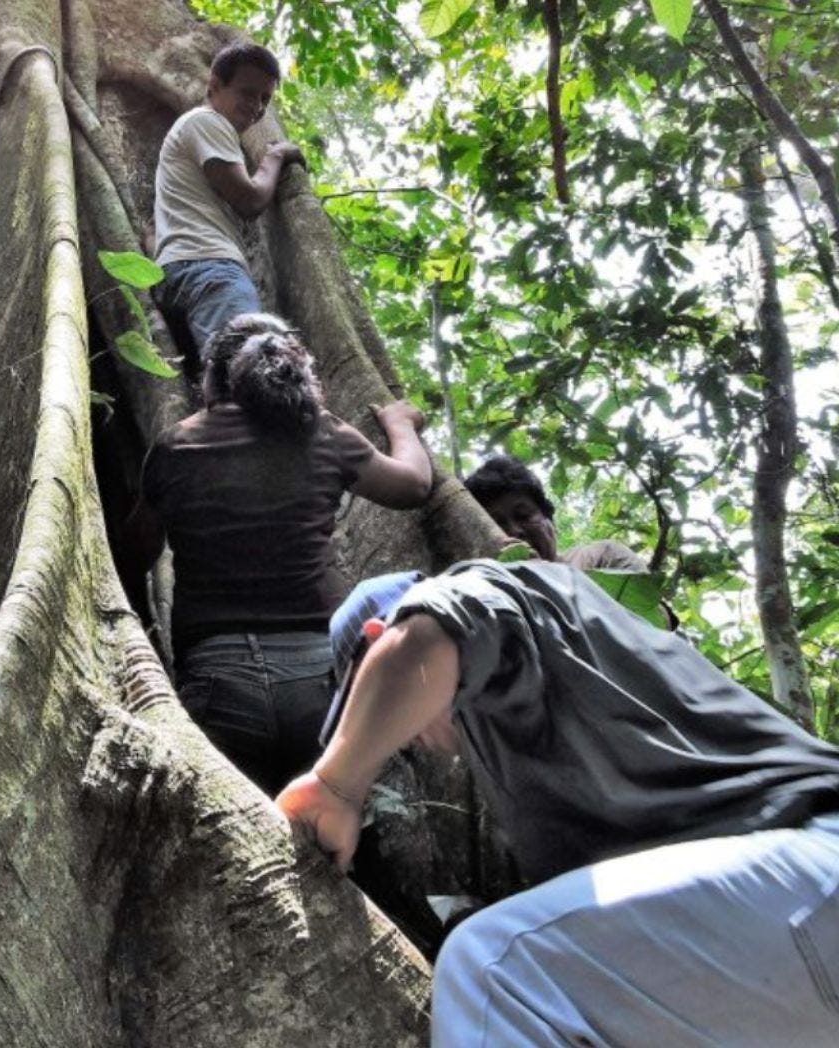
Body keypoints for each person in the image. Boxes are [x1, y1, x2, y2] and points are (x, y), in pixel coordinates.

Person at [278, 560, 839, 1045]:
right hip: (781, 947)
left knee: (495, 969)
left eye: (361, 690)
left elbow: (429, 635)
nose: (408, 742)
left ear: (380, 636)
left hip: (810, 865)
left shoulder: (499, 590)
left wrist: (336, 785)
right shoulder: (525, 720)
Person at [123, 319, 431, 795]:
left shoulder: (177, 445)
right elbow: (413, 486)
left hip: (217, 679)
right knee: (333, 840)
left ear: (210, 376)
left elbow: (135, 554)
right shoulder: (323, 433)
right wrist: (401, 425)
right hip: (319, 681)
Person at [153, 42, 304, 359]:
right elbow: (249, 201)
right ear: (215, 86)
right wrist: (274, 155)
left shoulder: (198, 129)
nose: (257, 106)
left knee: (225, 383)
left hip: (182, 273)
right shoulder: (207, 122)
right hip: (210, 269)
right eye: (248, 93)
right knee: (248, 377)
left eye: (265, 98)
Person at [463, 454, 647, 572]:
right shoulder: (487, 594)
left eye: (524, 516)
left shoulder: (601, 556)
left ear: (548, 519)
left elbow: (656, 619)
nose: (514, 531)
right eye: (497, 525)